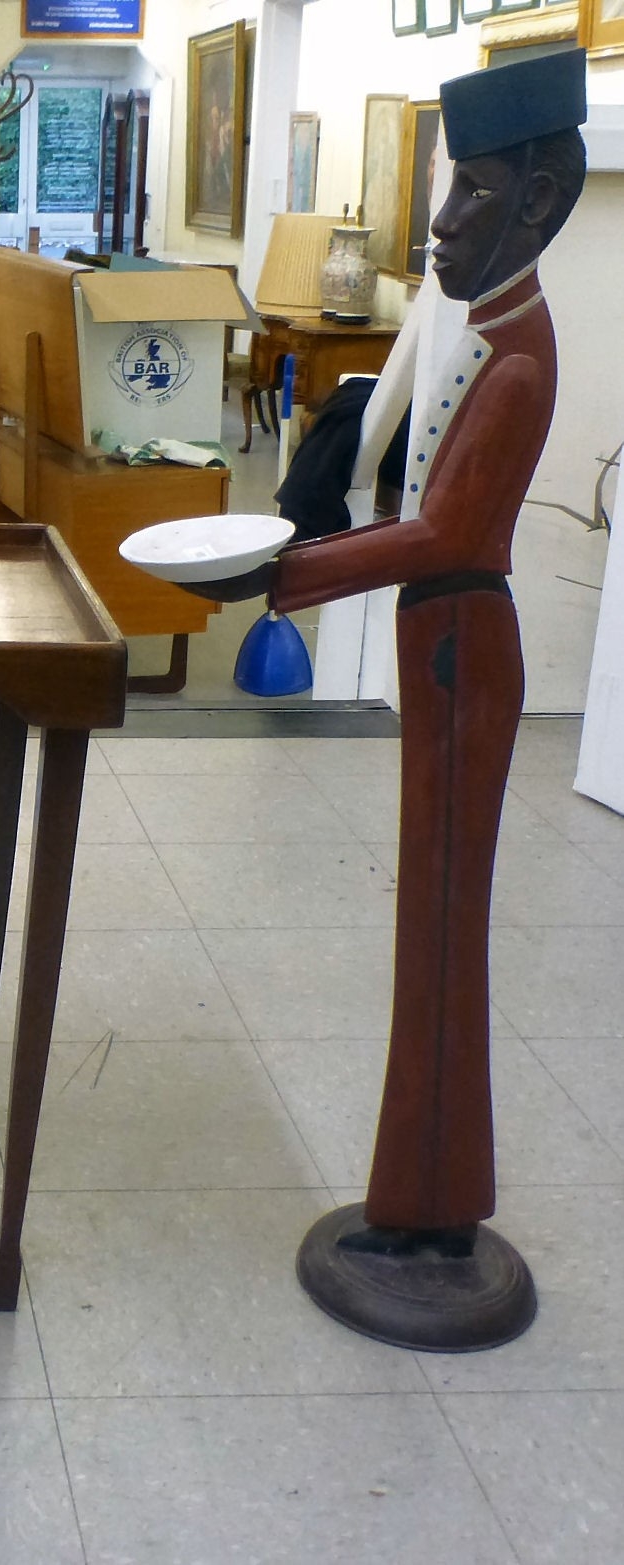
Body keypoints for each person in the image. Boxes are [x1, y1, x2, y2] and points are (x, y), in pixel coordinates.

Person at [184, 49, 589, 1256]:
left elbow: (448, 533)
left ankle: (430, 1209)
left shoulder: (517, 354)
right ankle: (423, 1195)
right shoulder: (486, 329)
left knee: (442, 937)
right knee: (429, 929)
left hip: (464, 648)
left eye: (471, 191)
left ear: (535, 202)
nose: (441, 220)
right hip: (443, 644)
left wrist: (283, 572)